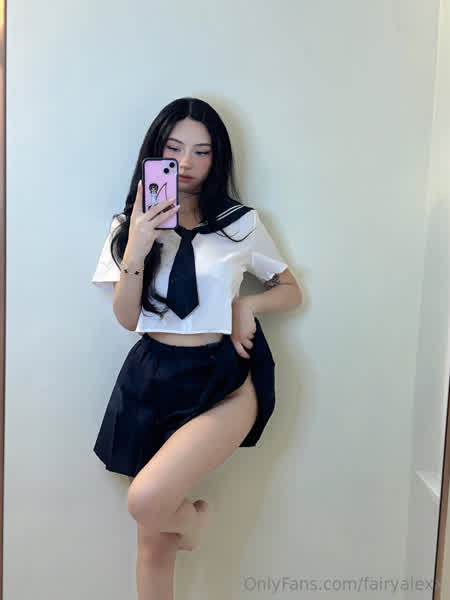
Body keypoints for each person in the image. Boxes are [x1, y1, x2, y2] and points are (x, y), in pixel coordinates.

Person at [91, 97, 302, 599]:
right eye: (174, 148)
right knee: (154, 546)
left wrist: (248, 305)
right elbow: (127, 318)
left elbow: (291, 290)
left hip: (225, 377)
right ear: (155, 151)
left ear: (217, 157)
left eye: (201, 151)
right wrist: (138, 244)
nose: (186, 162)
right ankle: (189, 523)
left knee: (146, 501)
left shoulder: (240, 222)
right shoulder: (129, 225)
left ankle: (193, 522)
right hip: (153, 378)